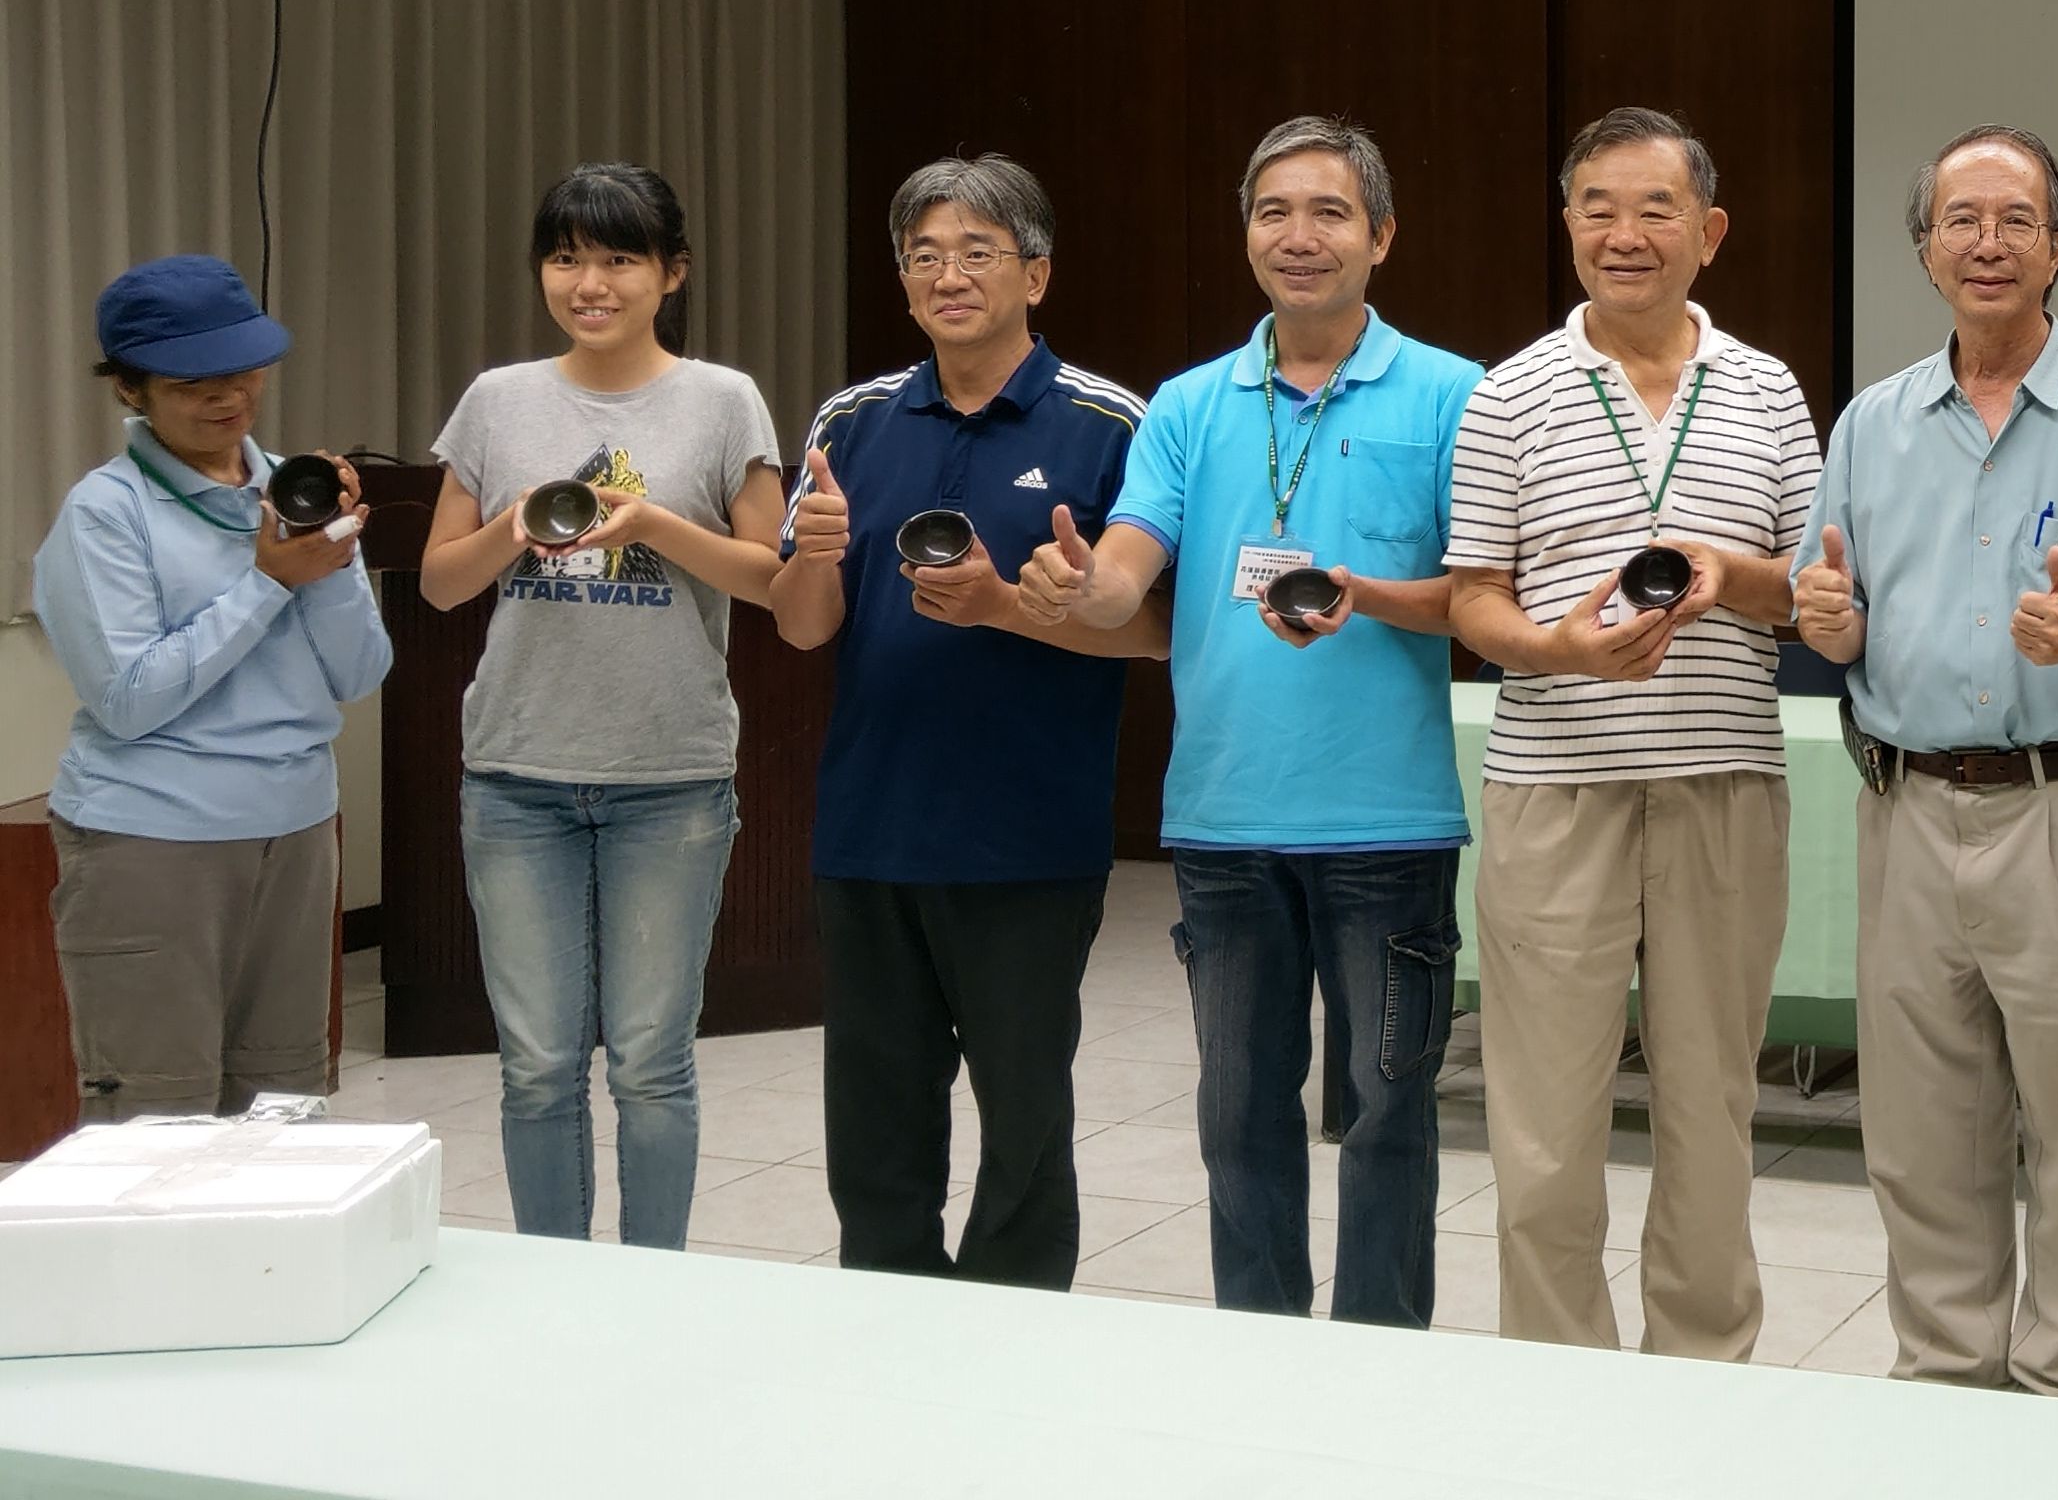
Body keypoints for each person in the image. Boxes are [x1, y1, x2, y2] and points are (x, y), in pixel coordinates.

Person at [1013, 118, 1483, 1324]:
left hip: (1387, 820)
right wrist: (1084, 585)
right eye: (1275, 212)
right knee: (1239, 1120)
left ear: (1381, 235)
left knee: (1387, 1117)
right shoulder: (1186, 406)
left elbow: (1486, 597)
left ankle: (1379, 1358)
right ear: (1247, 235)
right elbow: (1129, 564)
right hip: (1225, 820)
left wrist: (1368, 595)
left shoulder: (1454, 395)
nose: (1299, 236)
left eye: (1329, 212)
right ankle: (1258, 1359)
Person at [1794, 124, 2058, 1399]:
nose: (1988, 243)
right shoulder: (1870, 426)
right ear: (1925, 249)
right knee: (1920, 1134)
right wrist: (1830, 624)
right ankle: (1946, 1389)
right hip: (1908, 807)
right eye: (1960, 220)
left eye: (2015, 220)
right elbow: (1837, 611)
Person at [1444, 106, 1820, 1359]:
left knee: (1712, 1108)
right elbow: (1472, 597)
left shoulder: (1768, 388)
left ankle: (1702, 1376)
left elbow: (1815, 594)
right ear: (1567, 227)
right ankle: (1562, 1385)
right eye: (1597, 208)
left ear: (1709, 231)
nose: (1625, 233)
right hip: (1556, 786)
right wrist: (1560, 646)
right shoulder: (1509, 394)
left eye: (1656, 208)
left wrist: (1731, 573)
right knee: (1544, 1120)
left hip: (1724, 781)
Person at [771, 155, 1159, 1288]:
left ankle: (1014, 1336)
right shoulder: (851, 420)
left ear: (1035, 274)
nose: (949, 276)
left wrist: (1009, 606)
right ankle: (891, 1325)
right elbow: (803, 627)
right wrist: (815, 557)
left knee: (1023, 1125)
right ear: (902, 282)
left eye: (978, 252)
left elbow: (1159, 632)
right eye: (924, 256)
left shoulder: (1109, 425)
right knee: (875, 1130)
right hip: (871, 828)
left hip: (1028, 835)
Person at [418, 162, 789, 1249]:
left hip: (669, 778)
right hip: (516, 773)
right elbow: (440, 583)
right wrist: (516, 525)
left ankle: (651, 1287)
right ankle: (553, 1284)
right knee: (537, 1065)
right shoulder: (498, 400)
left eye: (620, 258)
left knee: (650, 1063)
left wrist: (651, 524)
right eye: (566, 257)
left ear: (672, 273)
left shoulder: (723, 400)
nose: (590, 283)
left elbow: (772, 578)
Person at [36, 254, 389, 1122]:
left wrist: (328, 559)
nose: (228, 396)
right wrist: (267, 583)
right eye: (191, 382)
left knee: (284, 1104)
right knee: (158, 1120)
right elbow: (128, 700)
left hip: (296, 830)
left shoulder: (294, 490)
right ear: (130, 389)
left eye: (242, 370)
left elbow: (359, 673)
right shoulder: (105, 511)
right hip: (152, 839)